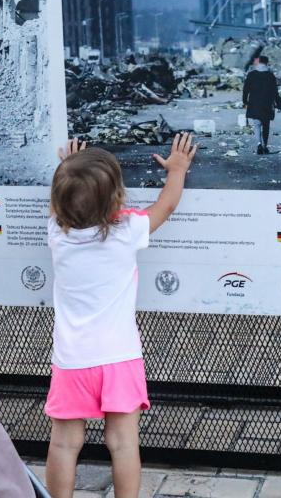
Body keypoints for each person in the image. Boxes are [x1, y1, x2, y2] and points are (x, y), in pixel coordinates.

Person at [45, 134, 197, 498]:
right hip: (119, 358)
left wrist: (67, 168)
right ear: (116, 197)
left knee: (65, 445)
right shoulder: (128, 231)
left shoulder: (57, 235)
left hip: (72, 360)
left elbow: (59, 207)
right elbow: (167, 206)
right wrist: (177, 169)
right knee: (124, 443)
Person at [242, 55, 281, 155]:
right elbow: (275, 91)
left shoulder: (251, 74)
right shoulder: (270, 75)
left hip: (254, 103)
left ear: (259, 61)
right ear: (267, 63)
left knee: (257, 125)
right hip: (267, 104)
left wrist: (244, 101)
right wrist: (279, 104)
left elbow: (246, 89)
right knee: (266, 125)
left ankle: (259, 144)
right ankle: (265, 146)